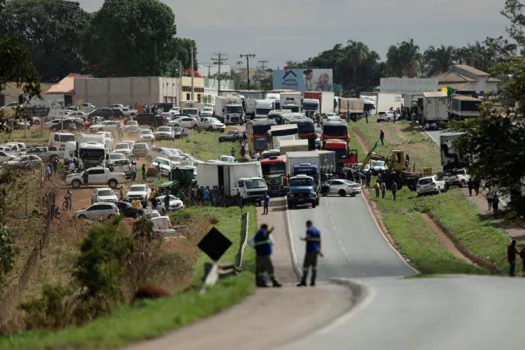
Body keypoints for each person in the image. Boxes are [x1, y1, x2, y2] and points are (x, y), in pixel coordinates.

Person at [297, 220, 323, 287]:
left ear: (308, 224)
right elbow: (319, 242)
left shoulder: (309, 230)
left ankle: (304, 281)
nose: (306, 227)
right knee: (314, 267)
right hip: (316, 251)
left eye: (306, 225)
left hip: (310, 250)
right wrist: (320, 251)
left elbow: (307, 238)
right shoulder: (318, 231)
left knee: (306, 266)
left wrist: (303, 239)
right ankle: (313, 282)